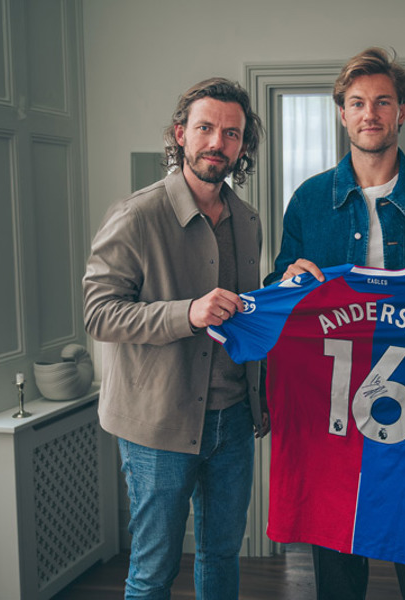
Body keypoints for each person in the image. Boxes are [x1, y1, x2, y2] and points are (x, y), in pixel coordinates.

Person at [264, 47, 405, 600]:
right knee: (337, 553)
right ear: (341, 113)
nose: (370, 114)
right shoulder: (310, 200)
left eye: (383, 102)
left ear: (402, 111)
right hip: (333, 407)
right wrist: (291, 280)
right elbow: (277, 291)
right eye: (357, 103)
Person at [83, 77, 269, 599]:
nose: (217, 142)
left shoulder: (248, 221)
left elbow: (244, 318)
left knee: (221, 557)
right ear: (180, 134)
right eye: (206, 128)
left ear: (243, 146)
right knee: (152, 573)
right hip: (157, 426)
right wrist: (187, 313)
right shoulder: (136, 214)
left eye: (231, 134)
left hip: (233, 423)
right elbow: (100, 314)